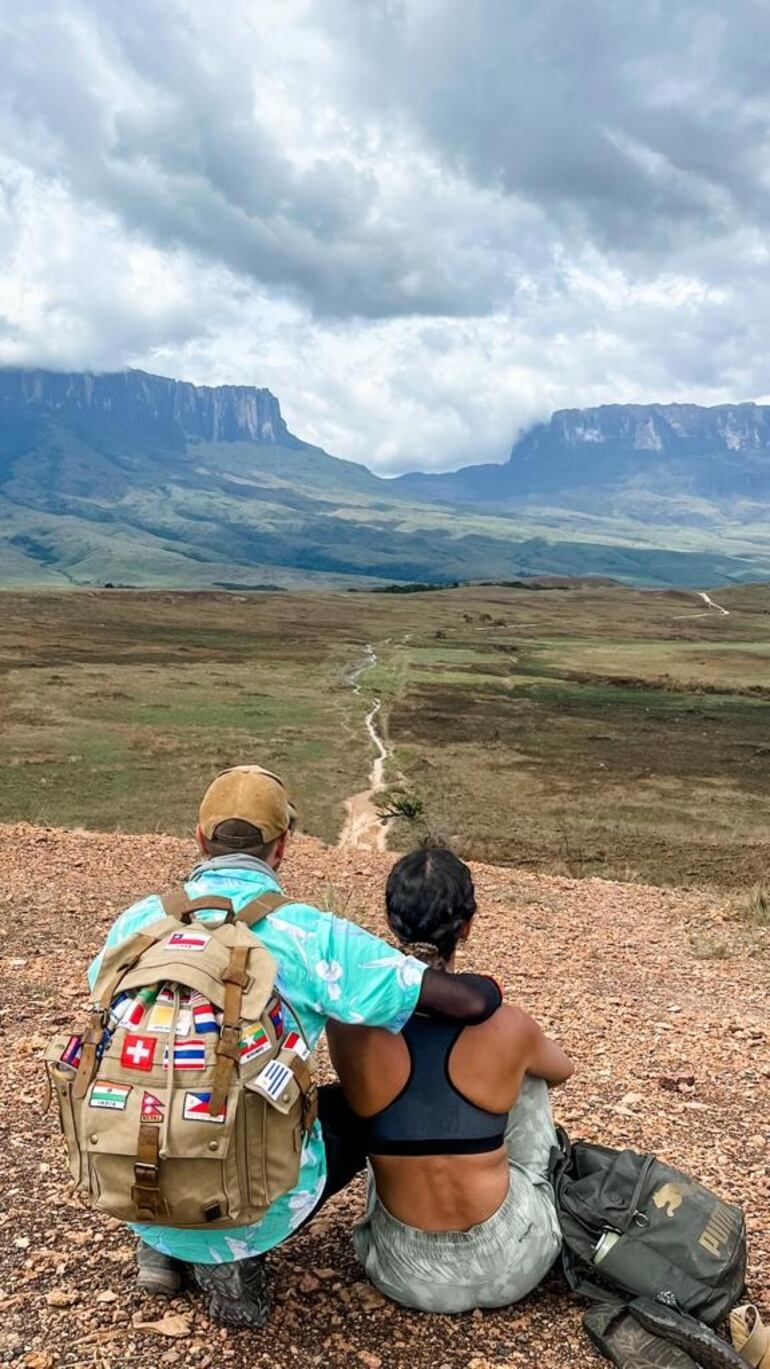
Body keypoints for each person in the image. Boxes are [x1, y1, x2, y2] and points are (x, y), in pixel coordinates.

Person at [87, 766, 503, 1328]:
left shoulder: (138, 921)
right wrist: (487, 988)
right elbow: (463, 1002)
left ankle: (162, 1241)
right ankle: (234, 1255)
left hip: (127, 1162)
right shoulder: (308, 935)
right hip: (248, 1199)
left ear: (199, 838)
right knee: (355, 1113)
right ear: (282, 846)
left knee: (160, 1080)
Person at [327, 846, 574, 1314]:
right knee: (527, 1076)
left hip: (402, 1271)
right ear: (467, 925)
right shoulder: (508, 1025)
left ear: (391, 920)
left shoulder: (349, 1028)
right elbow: (562, 1070)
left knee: (380, 1107)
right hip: (515, 1264)